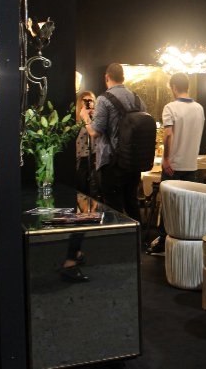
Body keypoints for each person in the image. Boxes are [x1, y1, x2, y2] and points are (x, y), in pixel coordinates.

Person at [146, 72, 205, 255]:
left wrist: (165, 159)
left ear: (173, 87)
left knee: (168, 205)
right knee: (188, 206)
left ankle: (164, 243)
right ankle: (187, 243)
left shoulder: (170, 107)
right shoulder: (199, 108)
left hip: (174, 166)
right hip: (191, 165)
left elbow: (168, 135)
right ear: (187, 86)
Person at [80, 63, 147, 221]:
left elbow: (94, 132)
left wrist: (85, 117)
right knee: (132, 203)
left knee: (112, 207)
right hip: (132, 162)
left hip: (111, 163)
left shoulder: (104, 99)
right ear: (123, 78)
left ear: (107, 77)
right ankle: (137, 235)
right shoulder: (138, 99)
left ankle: (116, 236)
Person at [61, 91, 98, 283]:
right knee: (83, 215)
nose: (89, 104)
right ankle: (70, 260)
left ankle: (75, 252)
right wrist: (85, 119)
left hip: (90, 167)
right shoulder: (76, 125)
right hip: (81, 170)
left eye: (92, 101)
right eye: (86, 102)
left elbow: (96, 138)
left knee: (87, 213)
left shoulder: (93, 122)